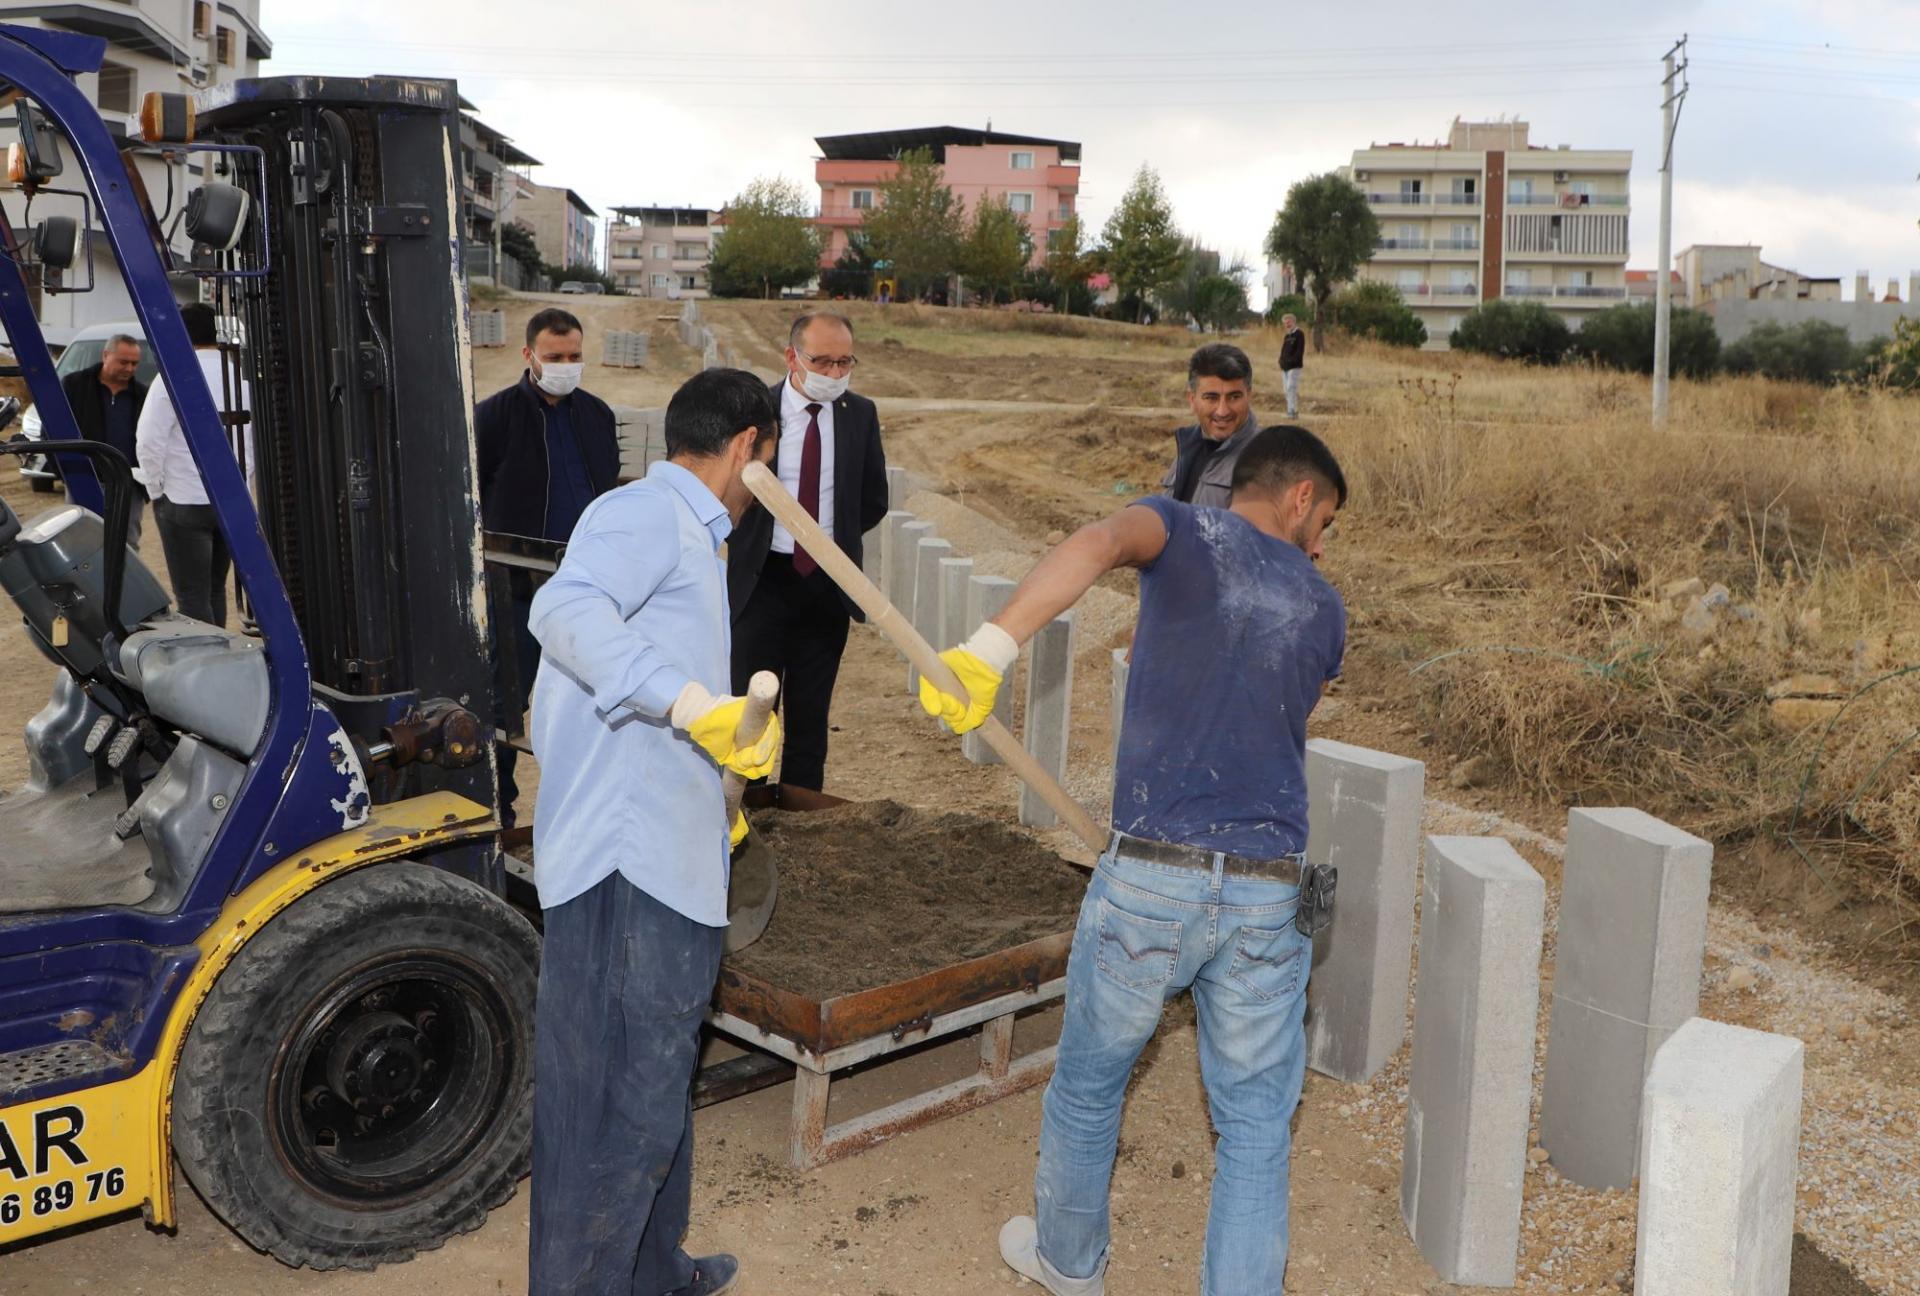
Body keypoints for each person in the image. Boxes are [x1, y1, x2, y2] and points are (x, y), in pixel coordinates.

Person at [921, 425, 1349, 1295]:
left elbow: (1099, 542)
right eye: (1327, 522)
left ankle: (1069, 1265)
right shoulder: (1324, 604)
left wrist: (990, 648)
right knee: (1255, 1127)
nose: (1322, 544)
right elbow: (1272, 699)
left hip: (1152, 877)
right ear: (1301, 495)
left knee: (1090, 1085)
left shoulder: (1181, 528)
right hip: (1268, 891)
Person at [524, 366, 783, 1296]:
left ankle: (652, 1272)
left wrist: (721, 786)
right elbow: (561, 610)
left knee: (658, 1081)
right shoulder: (647, 514)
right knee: (615, 1106)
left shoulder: (687, 535)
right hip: (629, 866)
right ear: (748, 446)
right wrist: (689, 706)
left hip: (664, 844)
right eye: (771, 458)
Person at [725, 311, 888, 794]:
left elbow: (873, 499)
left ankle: (801, 817)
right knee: (752, 712)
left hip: (826, 587)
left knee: (811, 717)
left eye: (845, 362)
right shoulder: (755, 413)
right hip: (762, 583)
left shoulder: (860, 415)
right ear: (791, 357)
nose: (834, 373)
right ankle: (744, 814)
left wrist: (831, 543)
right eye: (822, 362)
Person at [475, 306, 620, 827]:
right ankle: (499, 810)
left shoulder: (597, 415)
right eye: (554, 357)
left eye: (574, 355)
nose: (566, 365)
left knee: (592, 702)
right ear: (529, 355)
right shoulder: (494, 417)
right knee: (505, 704)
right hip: (517, 588)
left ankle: (587, 814)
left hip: (588, 587)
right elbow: (473, 497)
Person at [135, 303, 252, 627]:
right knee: (215, 589)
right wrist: (243, 480)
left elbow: (149, 440)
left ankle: (205, 656)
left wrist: (155, 489)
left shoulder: (173, 377)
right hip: (231, 500)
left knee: (192, 597)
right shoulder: (239, 378)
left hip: (183, 499)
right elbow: (252, 439)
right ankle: (221, 648)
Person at [60, 333, 148, 544]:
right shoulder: (74, 386)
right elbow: (53, 429)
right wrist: (66, 471)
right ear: (106, 355)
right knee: (82, 542)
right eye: (123, 362)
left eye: (134, 363)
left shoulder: (142, 395)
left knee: (126, 544)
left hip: (129, 484)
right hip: (84, 479)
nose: (129, 368)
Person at [1160, 343, 1261, 509]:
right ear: (1192, 399)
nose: (1222, 411)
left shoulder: (1265, 462)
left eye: (1234, 397)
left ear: (1249, 396)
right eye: (1211, 398)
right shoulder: (1187, 446)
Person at [1279, 313, 1306, 418]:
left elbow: (1300, 351)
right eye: (1285, 323)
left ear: (1294, 322)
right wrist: (1281, 361)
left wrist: (1292, 361)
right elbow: (1283, 350)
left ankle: (1293, 411)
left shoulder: (1299, 334)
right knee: (1286, 389)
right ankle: (1290, 410)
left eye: (1289, 322)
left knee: (1291, 387)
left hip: (1294, 366)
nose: (1287, 324)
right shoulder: (1287, 336)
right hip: (1285, 367)